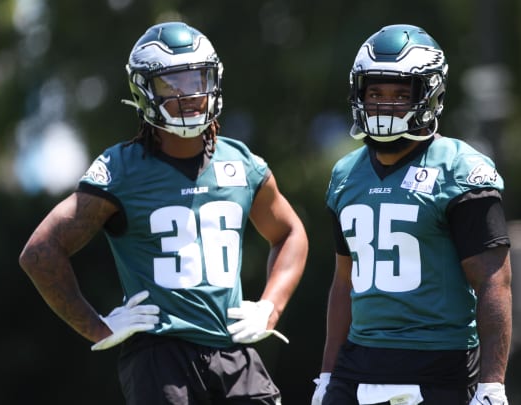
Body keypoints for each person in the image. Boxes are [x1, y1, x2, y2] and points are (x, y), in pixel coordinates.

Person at [19, 21, 308, 404]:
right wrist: (96, 327)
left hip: (233, 349)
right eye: (171, 83)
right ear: (143, 91)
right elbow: (40, 252)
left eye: (196, 79)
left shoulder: (239, 163)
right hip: (161, 358)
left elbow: (291, 233)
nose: (188, 94)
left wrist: (270, 307)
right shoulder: (122, 170)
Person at [311, 24, 512, 405]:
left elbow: (494, 282)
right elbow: (344, 282)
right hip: (358, 362)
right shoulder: (344, 175)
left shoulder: (461, 169)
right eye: (375, 92)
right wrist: (326, 374)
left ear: (429, 94)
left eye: (401, 94)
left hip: (438, 365)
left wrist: (492, 384)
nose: (385, 105)